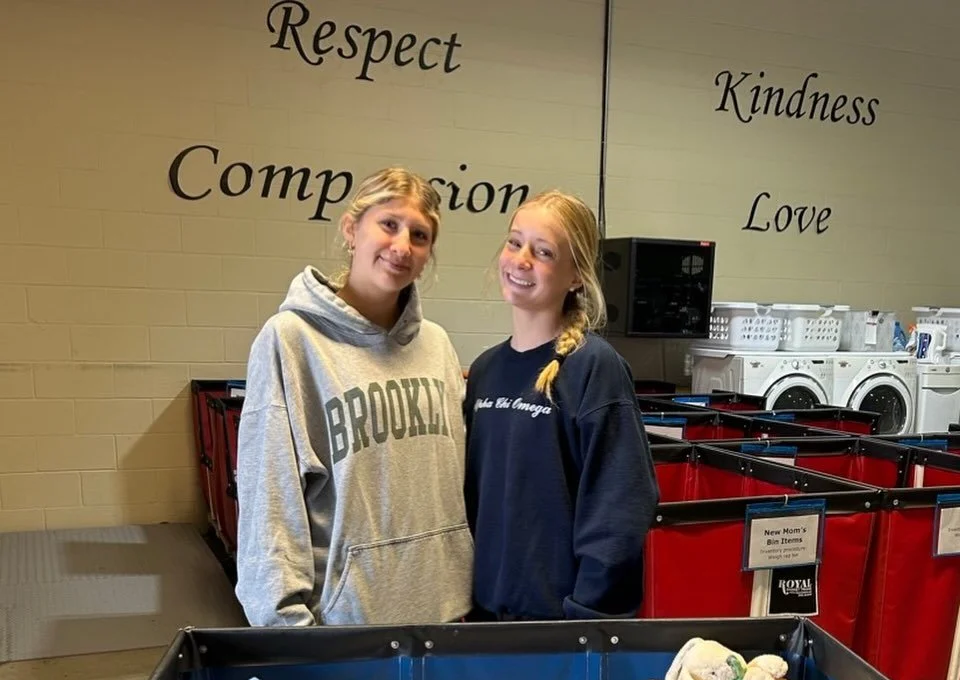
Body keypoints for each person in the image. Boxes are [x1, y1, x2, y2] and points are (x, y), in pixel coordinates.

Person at [235, 168, 473, 627]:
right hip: (345, 626)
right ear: (351, 229)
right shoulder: (291, 339)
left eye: (419, 235)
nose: (402, 246)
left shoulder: (437, 345)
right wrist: (285, 631)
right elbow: (270, 499)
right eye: (388, 224)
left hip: (448, 616)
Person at [464, 190, 658, 620]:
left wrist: (582, 619)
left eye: (544, 251)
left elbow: (620, 511)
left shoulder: (594, 368)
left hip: (561, 633)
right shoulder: (484, 372)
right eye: (515, 242)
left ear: (575, 277)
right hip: (484, 623)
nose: (521, 260)